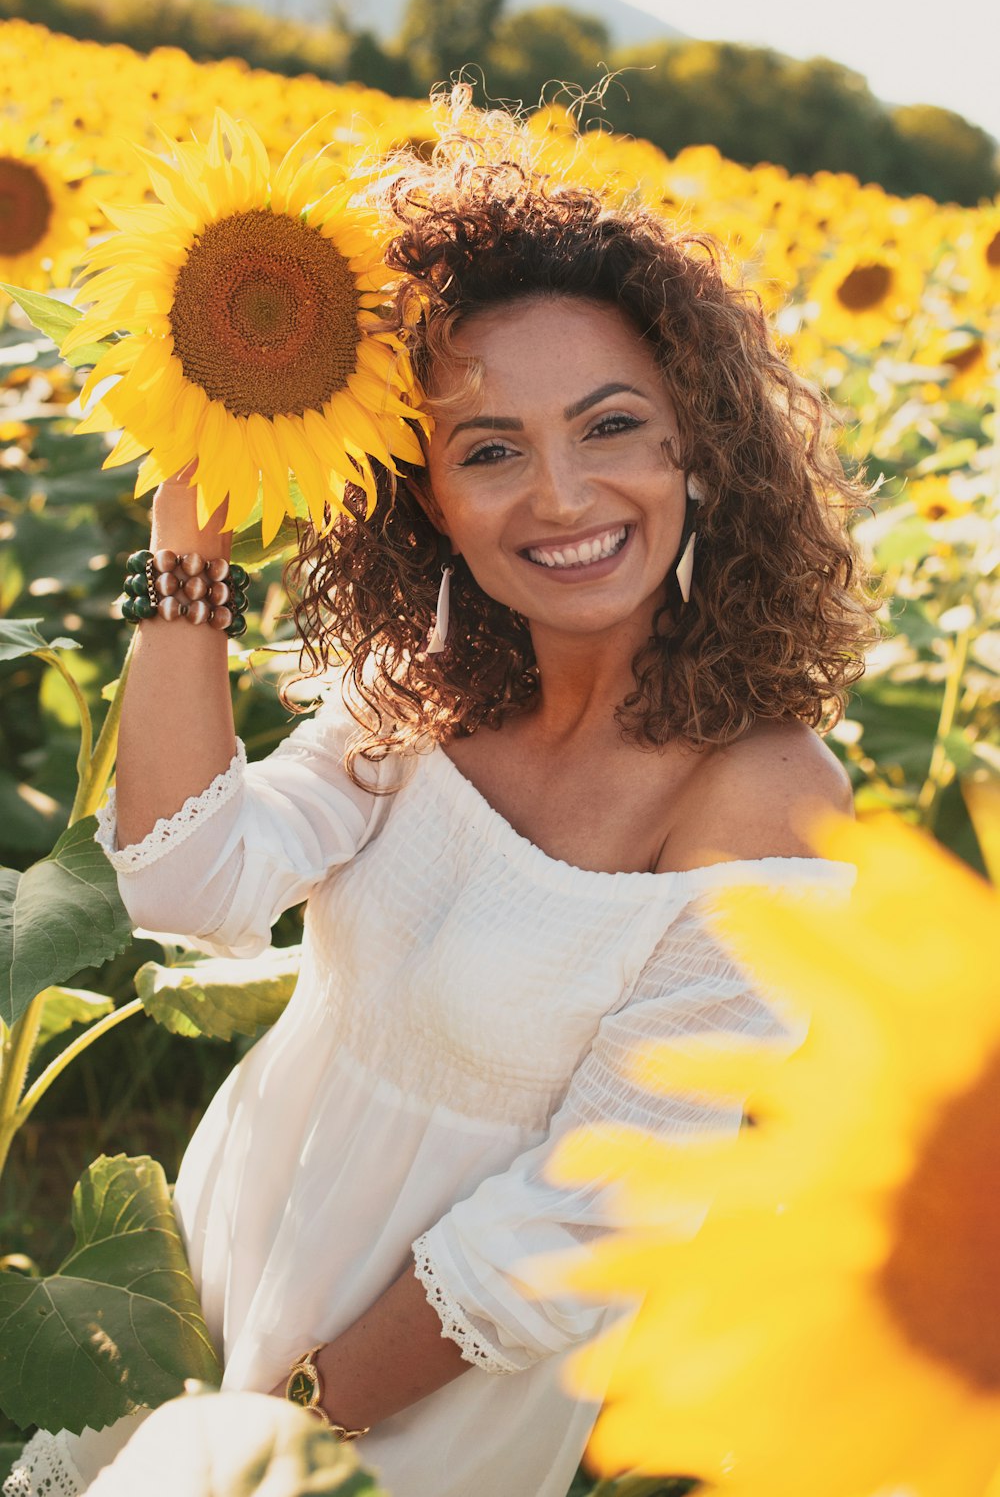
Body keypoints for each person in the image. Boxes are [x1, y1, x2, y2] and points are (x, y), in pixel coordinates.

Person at [6, 98, 875, 1497]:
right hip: (233, 1257)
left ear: (697, 450)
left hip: (414, 1402)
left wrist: (295, 1410)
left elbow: (598, 1209)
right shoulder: (423, 691)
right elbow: (185, 884)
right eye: (488, 449)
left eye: (613, 429)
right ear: (428, 499)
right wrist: (192, 532)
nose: (560, 494)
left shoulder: (763, 791)